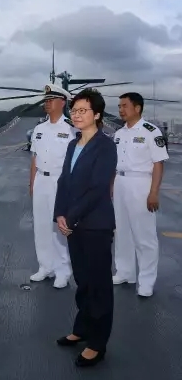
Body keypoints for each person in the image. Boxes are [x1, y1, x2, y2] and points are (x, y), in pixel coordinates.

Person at [53, 88, 117, 367]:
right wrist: (59, 213)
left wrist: (71, 217)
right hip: (73, 222)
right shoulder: (73, 144)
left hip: (95, 225)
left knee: (98, 284)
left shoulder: (106, 146)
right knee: (82, 280)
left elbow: (98, 188)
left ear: (97, 114)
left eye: (83, 110)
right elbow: (64, 181)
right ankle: (82, 328)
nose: (76, 115)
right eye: (74, 110)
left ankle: (98, 343)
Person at [112, 92, 168, 297]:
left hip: (141, 183)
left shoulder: (151, 132)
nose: (121, 110)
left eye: (124, 106)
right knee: (121, 231)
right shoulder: (119, 134)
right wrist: (111, 186)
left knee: (144, 235)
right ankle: (125, 272)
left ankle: (146, 281)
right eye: (119, 106)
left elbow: (158, 164)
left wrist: (154, 192)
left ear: (137, 108)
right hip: (120, 182)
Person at [29, 84, 77, 288]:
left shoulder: (72, 128)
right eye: (46, 100)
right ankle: (45, 266)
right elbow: (34, 158)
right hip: (41, 179)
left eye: (51, 99)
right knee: (41, 225)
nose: (46, 103)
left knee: (59, 226)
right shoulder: (39, 129)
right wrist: (32, 183)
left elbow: (77, 160)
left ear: (62, 102)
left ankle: (63, 270)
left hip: (61, 181)